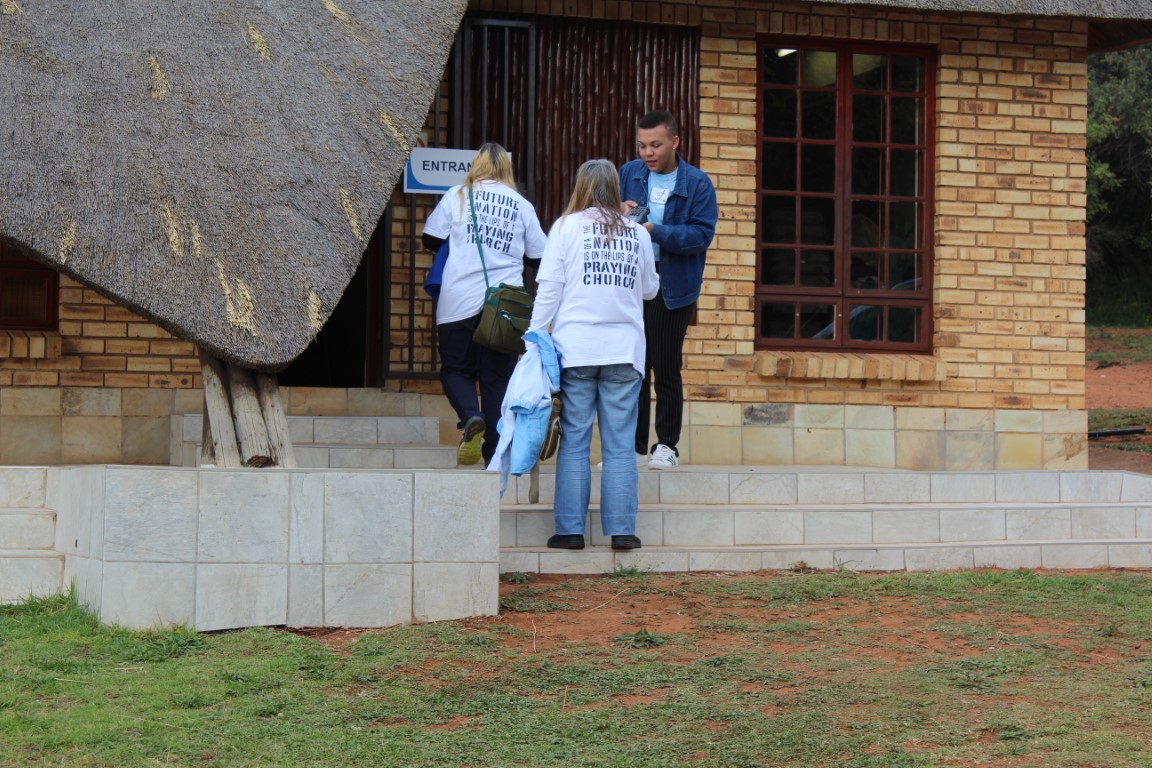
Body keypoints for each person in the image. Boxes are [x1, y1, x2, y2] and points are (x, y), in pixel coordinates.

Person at [527, 159, 659, 551]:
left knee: (575, 441)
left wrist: (533, 338)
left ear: (581, 187)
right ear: (615, 189)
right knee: (620, 444)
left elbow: (549, 289)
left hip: (576, 350)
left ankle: (570, 531)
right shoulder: (636, 233)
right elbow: (650, 289)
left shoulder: (565, 227)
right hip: (624, 351)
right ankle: (622, 531)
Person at [422, 143, 547, 466]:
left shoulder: (457, 196)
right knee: (497, 380)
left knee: (455, 370)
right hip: (504, 307)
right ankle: (495, 456)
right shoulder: (521, 205)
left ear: (475, 166)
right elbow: (540, 256)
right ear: (506, 169)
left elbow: (430, 239)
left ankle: (470, 415)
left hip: (458, 301)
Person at [619, 110, 718, 469]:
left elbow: (701, 236)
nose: (647, 152)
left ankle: (667, 445)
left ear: (674, 142)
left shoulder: (698, 183)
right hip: (633, 282)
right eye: (642, 145)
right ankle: (631, 446)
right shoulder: (628, 173)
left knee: (665, 365)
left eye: (656, 145)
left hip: (673, 285)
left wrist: (654, 231)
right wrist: (618, 211)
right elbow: (605, 218)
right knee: (633, 366)